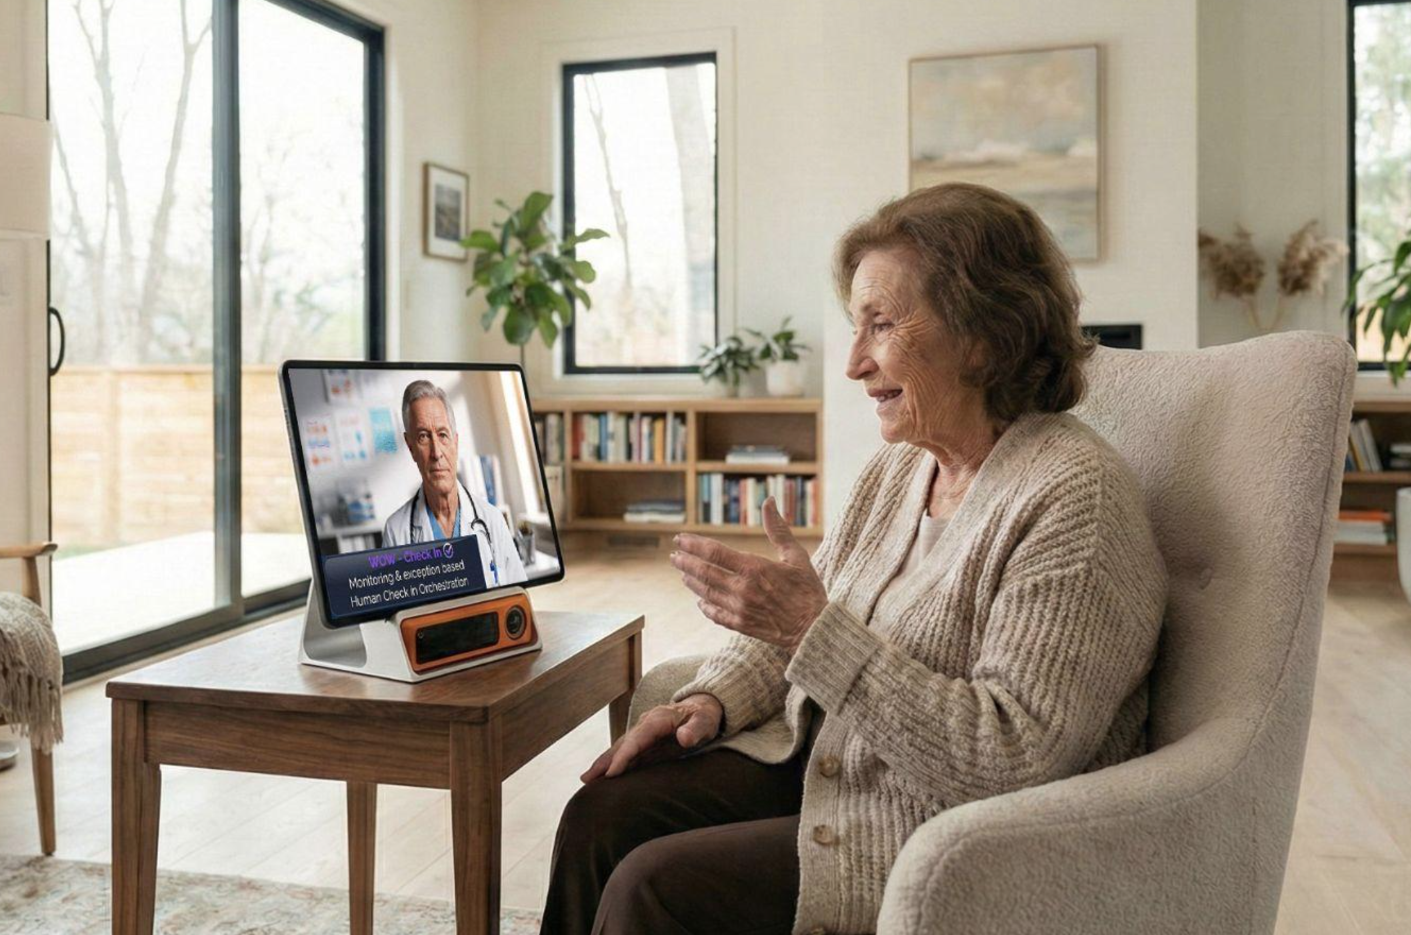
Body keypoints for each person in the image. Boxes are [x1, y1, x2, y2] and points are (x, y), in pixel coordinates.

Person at [539, 183, 1170, 935]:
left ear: (984, 335)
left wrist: (809, 628)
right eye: (855, 326)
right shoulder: (902, 468)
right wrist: (710, 700)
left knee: (655, 886)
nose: (853, 363)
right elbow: (803, 626)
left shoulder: (1074, 498)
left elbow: (1011, 755)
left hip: (943, 836)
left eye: (882, 324)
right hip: (834, 769)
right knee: (601, 814)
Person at [381, 379, 525, 589]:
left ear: (455, 442)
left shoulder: (492, 520)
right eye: (423, 437)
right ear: (411, 447)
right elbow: (395, 606)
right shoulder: (397, 532)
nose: (436, 453)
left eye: (442, 435)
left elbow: (519, 598)